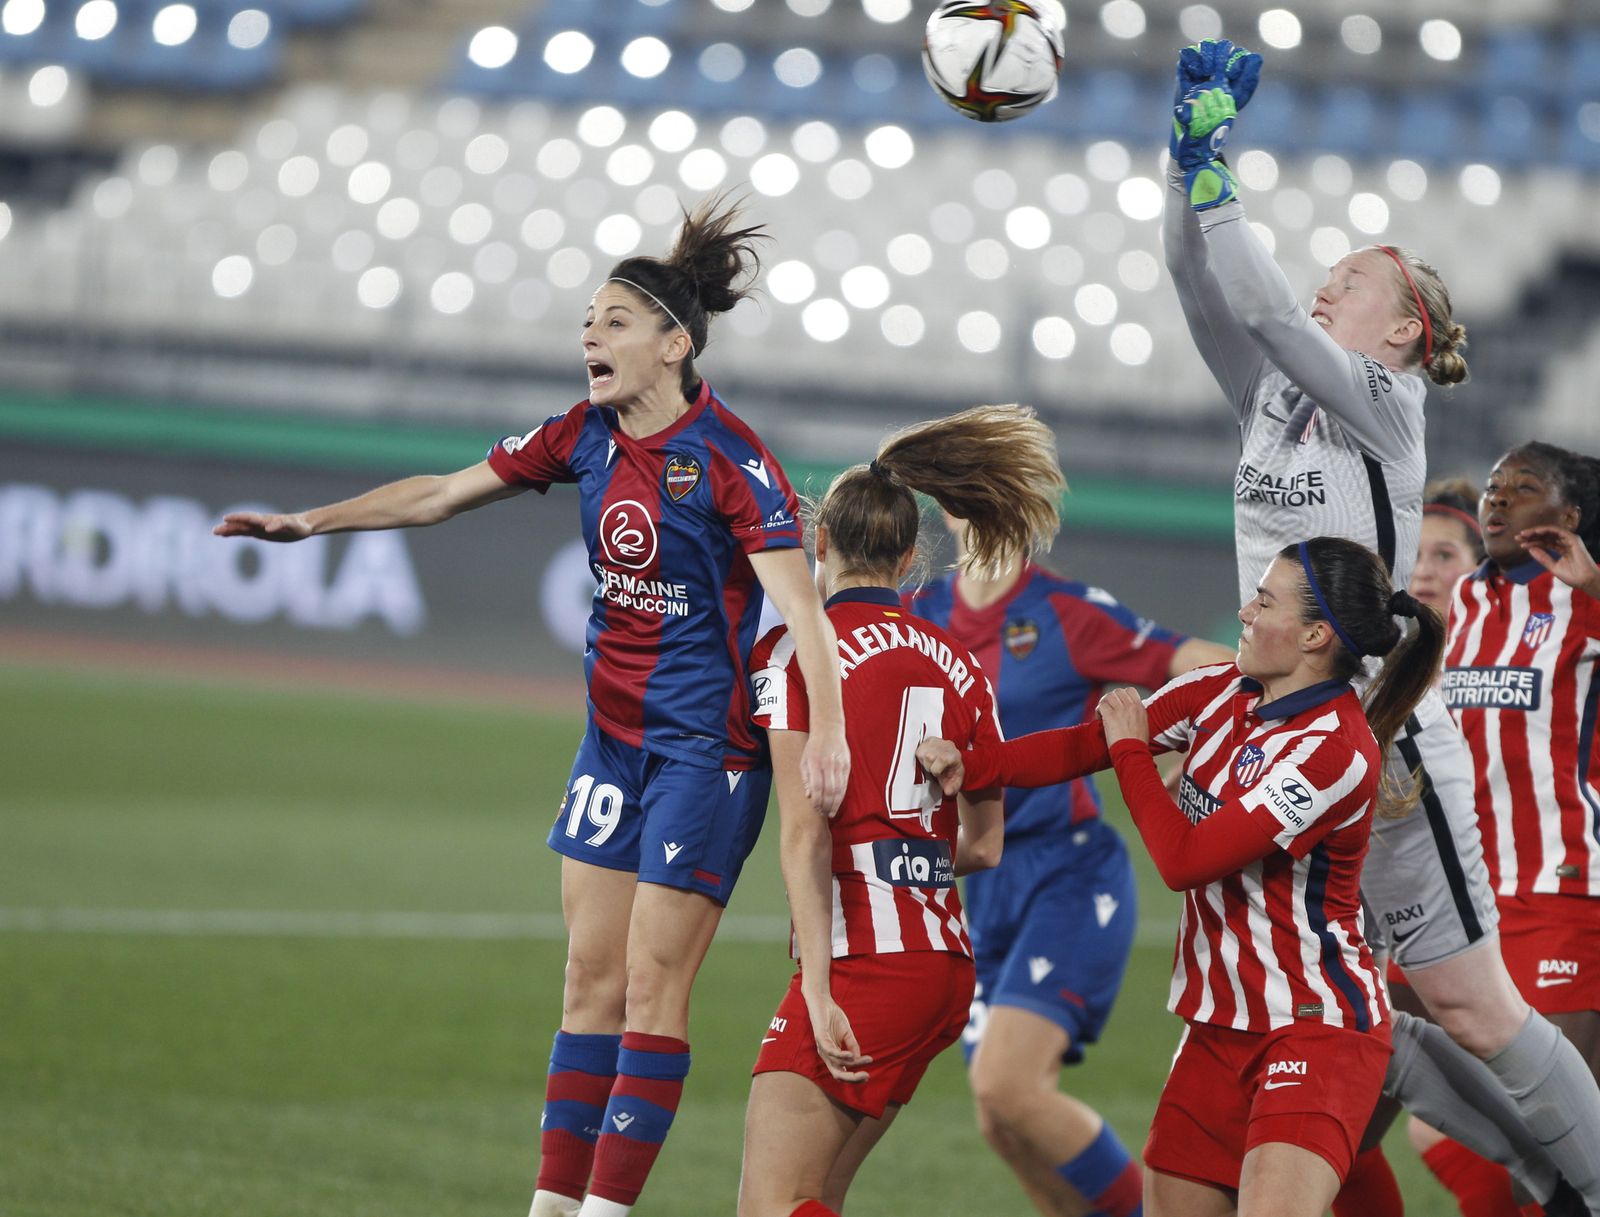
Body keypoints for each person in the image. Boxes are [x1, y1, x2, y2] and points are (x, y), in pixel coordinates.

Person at [213, 195, 852, 1217]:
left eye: (613, 320)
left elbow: (801, 608)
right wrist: (309, 522)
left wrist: (829, 733)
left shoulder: (732, 460)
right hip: (611, 745)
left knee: (652, 985)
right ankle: (551, 1206)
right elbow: (438, 493)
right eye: (587, 319)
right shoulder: (580, 436)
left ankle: (603, 1213)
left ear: (673, 343)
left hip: (705, 753)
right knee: (586, 981)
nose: (588, 334)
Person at [1163, 37, 1600, 1213]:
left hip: (1384, 737)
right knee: (1306, 996)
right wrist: (1181, 163)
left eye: (1349, 277)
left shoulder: (1386, 404)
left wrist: (1218, 169)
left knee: (1465, 999)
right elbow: (1202, 287)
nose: (1321, 286)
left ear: (1404, 325)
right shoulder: (1274, 398)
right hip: (1282, 726)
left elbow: (1250, 290)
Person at [917, 537, 1441, 1216]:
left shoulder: (1335, 750)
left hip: (1313, 1028)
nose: (1244, 611)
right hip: (1215, 1027)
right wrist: (973, 763)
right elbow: (1083, 744)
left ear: (1315, 634)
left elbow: (1185, 859)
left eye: (1265, 600)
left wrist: (1132, 748)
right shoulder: (1220, 690)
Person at [736, 404, 1064, 1217]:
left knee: (771, 1203)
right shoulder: (962, 665)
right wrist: (905, 851)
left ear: (819, 545)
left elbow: (805, 833)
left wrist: (815, 987)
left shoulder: (794, 652)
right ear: (910, 556)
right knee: (817, 1195)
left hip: (865, 964)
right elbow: (983, 845)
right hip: (942, 963)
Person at [902, 521, 1231, 1217]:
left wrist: (1202, 754)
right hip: (981, 885)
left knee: (1006, 1085)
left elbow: (1208, 663)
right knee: (1005, 1120)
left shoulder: (1065, 610)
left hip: (1069, 872)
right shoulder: (920, 612)